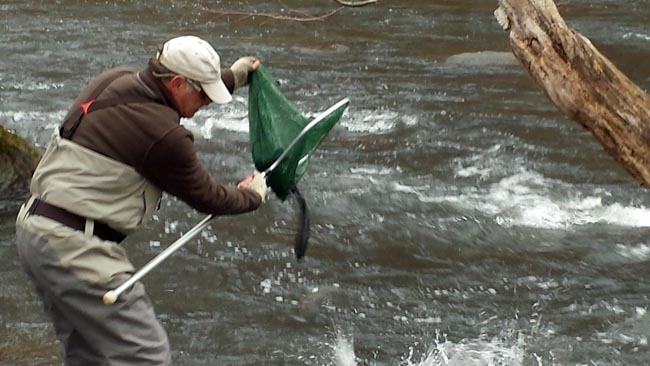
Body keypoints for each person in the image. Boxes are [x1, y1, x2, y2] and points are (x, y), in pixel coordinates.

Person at [15, 35, 267, 366]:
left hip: (35, 231)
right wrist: (252, 195)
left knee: (90, 355)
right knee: (146, 354)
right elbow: (208, 197)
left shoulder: (117, 79)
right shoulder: (164, 136)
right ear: (177, 83)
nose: (207, 102)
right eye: (204, 94)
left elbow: (192, 85)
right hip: (74, 248)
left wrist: (236, 75)